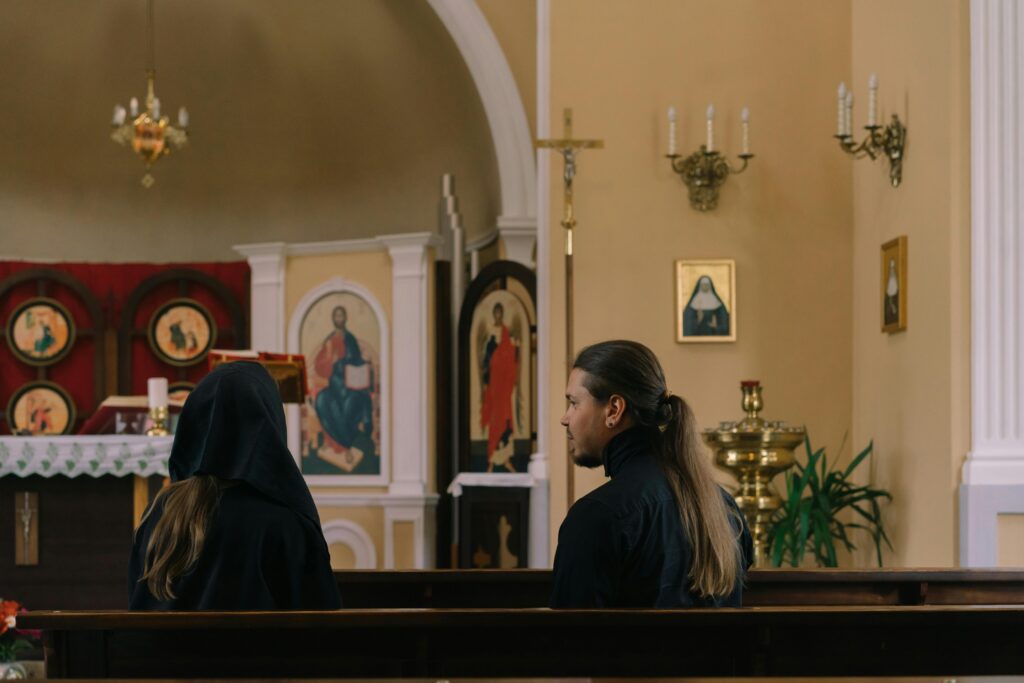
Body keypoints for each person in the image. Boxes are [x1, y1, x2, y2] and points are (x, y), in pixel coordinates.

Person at [551, 340, 752, 608]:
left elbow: (570, 642)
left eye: (574, 403)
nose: (565, 418)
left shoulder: (596, 517)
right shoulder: (724, 508)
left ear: (613, 410)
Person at [129, 361, 341, 610]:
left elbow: (138, 609)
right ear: (268, 424)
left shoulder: (158, 515)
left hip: (156, 651)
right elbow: (322, 624)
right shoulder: (286, 525)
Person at [312, 305, 375, 463]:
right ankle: (340, 444)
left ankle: (344, 445)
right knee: (322, 400)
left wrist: (341, 364)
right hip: (334, 385)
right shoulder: (329, 339)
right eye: (336, 316)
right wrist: (329, 358)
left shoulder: (350, 339)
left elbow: (356, 360)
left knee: (350, 405)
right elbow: (320, 366)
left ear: (345, 318)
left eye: (341, 316)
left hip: (350, 384)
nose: (339, 319)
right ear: (333, 319)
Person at [480, 302, 519, 472]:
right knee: (495, 419)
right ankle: (491, 459)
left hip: (503, 384)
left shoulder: (506, 331)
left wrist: (513, 349)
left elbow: (509, 353)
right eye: (495, 312)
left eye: (499, 312)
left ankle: (505, 458)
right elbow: (485, 358)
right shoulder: (490, 331)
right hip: (494, 385)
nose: (497, 315)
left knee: (505, 419)